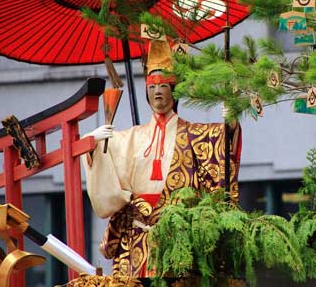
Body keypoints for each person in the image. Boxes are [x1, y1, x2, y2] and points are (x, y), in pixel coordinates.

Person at [82, 39, 241, 277]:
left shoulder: (193, 133)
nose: (157, 91)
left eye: (164, 85)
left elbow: (220, 140)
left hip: (178, 235)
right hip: (136, 236)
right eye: (152, 86)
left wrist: (230, 123)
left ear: (174, 91)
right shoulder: (132, 137)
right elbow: (103, 153)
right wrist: (92, 142)